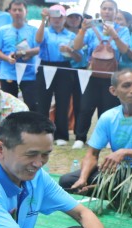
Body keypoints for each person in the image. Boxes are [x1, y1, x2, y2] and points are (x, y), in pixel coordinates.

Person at [59, 69, 132, 222]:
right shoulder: (108, 117)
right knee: (67, 181)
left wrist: (123, 152)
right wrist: (83, 178)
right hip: (121, 172)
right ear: (113, 90)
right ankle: (125, 192)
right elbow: (92, 154)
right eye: (126, 86)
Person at [71, 0, 131, 150]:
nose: (107, 11)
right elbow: (76, 47)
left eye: (111, 9)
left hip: (112, 76)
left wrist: (115, 36)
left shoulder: (122, 30)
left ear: (116, 12)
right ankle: (80, 137)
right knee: (85, 107)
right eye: (104, 8)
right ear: (100, 11)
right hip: (92, 75)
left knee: (109, 109)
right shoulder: (91, 29)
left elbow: (124, 50)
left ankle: (107, 138)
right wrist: (82, 30)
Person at [35, 5, 81, 146]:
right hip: (45, 66)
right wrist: (42, 20)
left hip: (64, 68)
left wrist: (70, 51)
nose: (56, 19)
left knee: (63, 102)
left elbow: (78, 57)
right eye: (53, 16)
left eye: (59, 16)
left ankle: (61, 135)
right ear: (49, 17)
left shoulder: (71, 35)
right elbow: (38, 40)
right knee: (43, 102)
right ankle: (42, 133)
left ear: (64, 18)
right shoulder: (45, 32)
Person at [0, 0, 39, 112]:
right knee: (8, 105)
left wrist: (26, 53)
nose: (17, 12)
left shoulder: (33, 30)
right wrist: (7, 58)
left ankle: (31, 127)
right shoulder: (2, 30)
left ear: (26, 12)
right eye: (14, 10)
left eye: (20, 10)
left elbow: (39, 48)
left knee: (31, 104)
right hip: (8, 72)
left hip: (28, 73)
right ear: (10, 11)